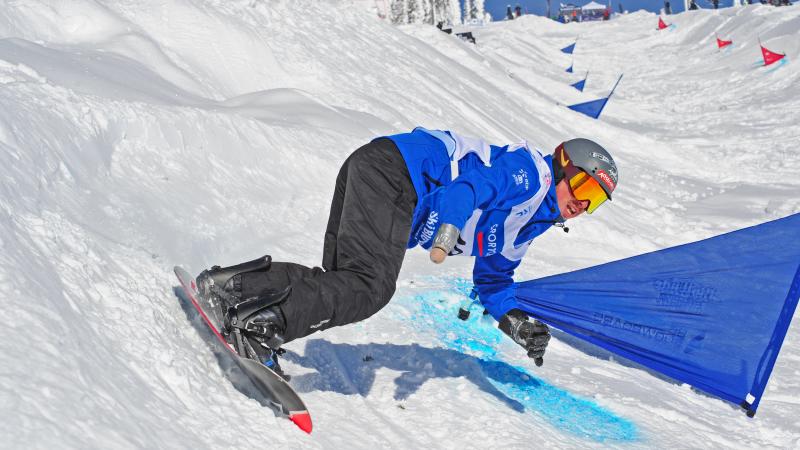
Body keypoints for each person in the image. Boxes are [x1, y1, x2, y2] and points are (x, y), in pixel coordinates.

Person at [196, 128, 619, 376]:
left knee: (346, 283)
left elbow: (493, 281)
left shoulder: (525, 229)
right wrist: (452, 219)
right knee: (370, 287)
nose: (582, 204)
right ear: (563, 164)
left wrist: (516, 322)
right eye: (584, 187)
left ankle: (233, 287)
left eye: (595, 201)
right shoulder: (531, 173)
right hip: (399, 172)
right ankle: (257, 326)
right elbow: (471, 187)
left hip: (381, 167)